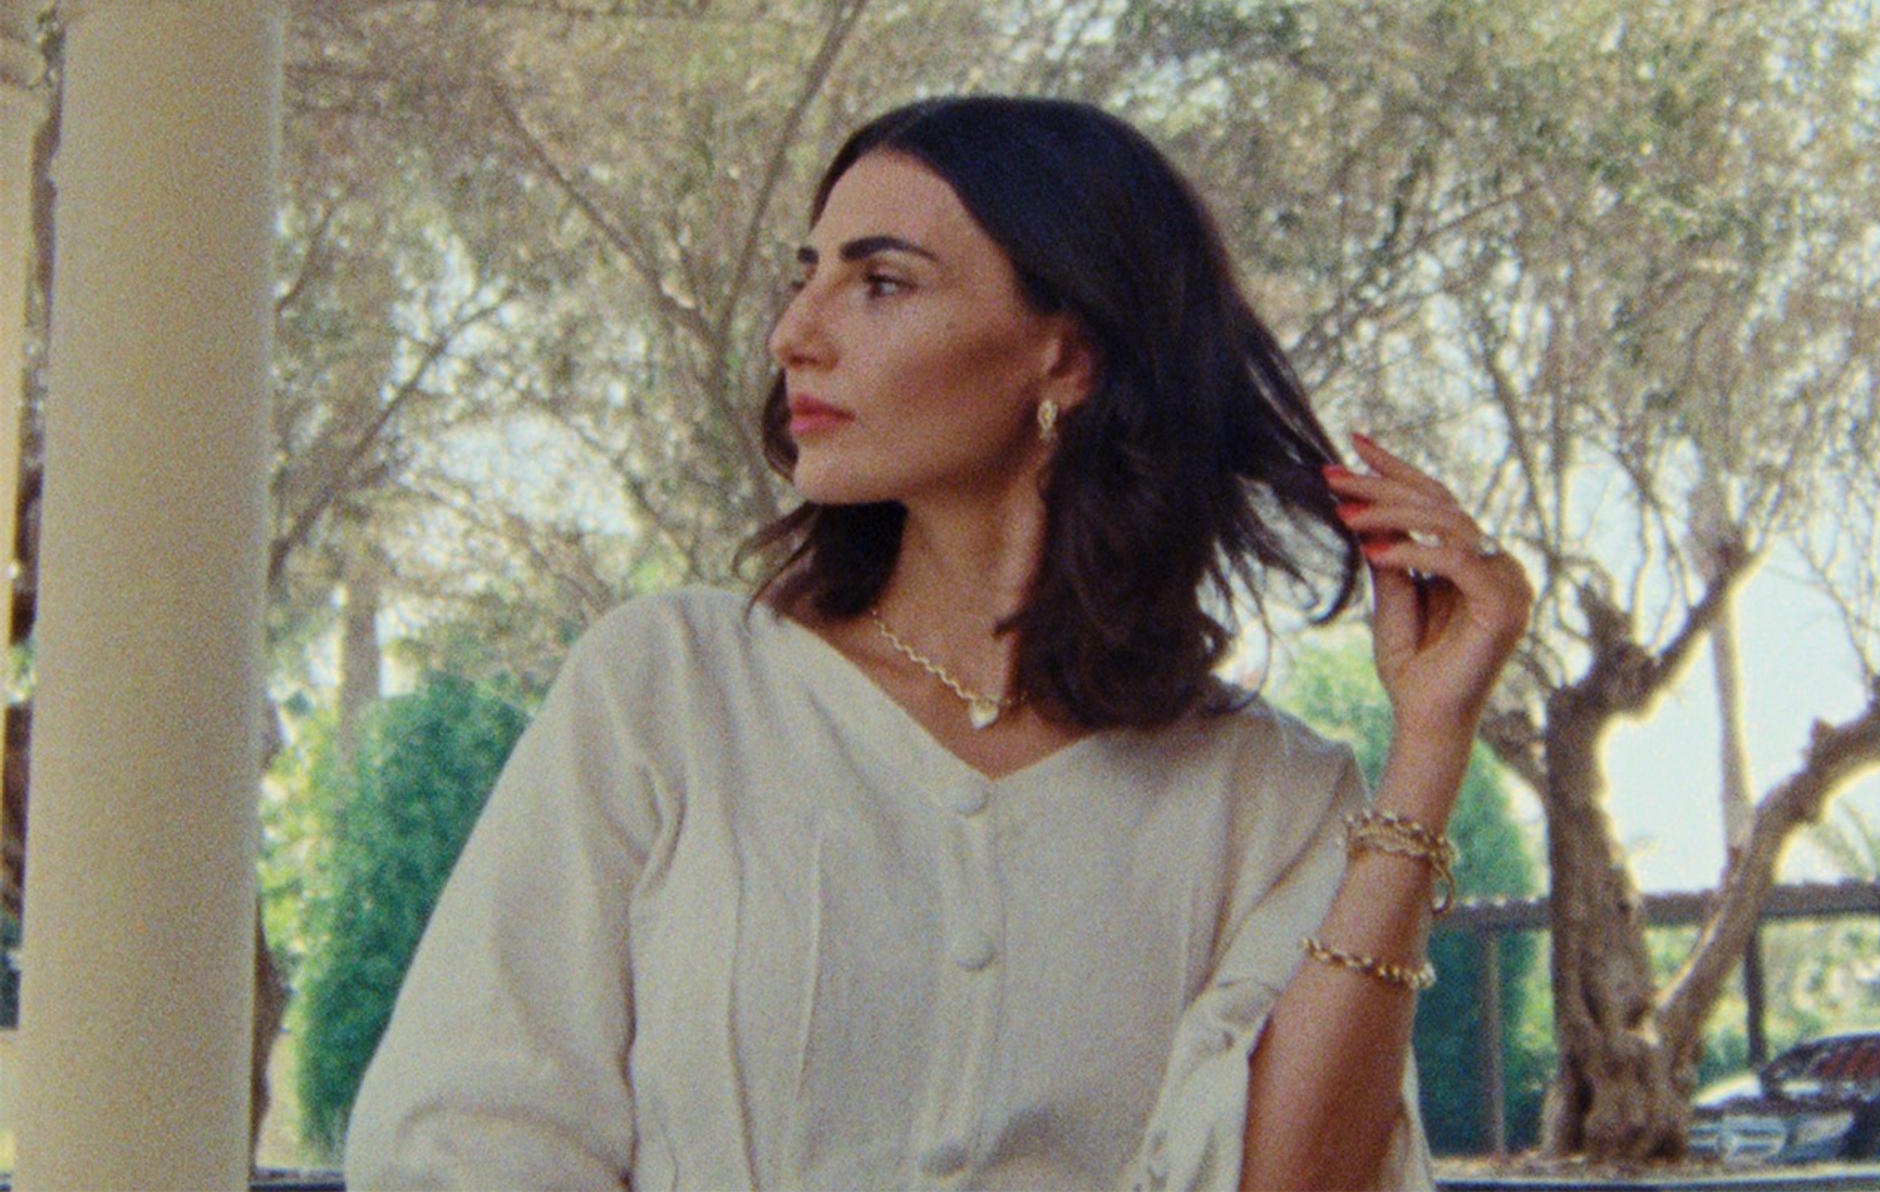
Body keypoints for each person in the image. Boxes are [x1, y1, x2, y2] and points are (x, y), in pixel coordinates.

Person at [344, 95, 1532, 1191]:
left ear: (1065, 353)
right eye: (806, 276)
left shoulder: (1269, 797)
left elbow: (1289, 1181)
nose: (794, 334)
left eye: (882, 283)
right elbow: (476, 1131)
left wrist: (1430, 747)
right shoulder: (669, 690)